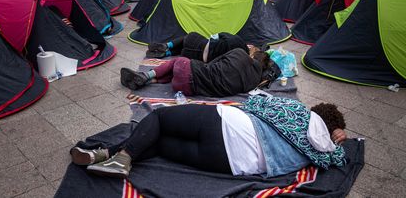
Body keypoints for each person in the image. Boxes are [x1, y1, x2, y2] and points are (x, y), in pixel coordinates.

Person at [70, 95, 347, 178]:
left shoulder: (298, 112)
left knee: (160, 118)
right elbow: (340, 157)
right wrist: (337, 141)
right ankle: (107, 156)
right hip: (231, 164)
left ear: (316, 112)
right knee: (163, 145)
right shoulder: (322, 152)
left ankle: (120, 157)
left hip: (227, 126)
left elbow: (255, 104)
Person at [121, 47, 272, 97]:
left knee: (178, 62)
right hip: (187, 89)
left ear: (252, 55)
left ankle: (146, 76)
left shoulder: (240, 53)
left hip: (184, 73)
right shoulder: (253, 83)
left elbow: (212, 63)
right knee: (185, 72)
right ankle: (150, 81)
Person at [146, 32, 256, 62]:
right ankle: (167, 53)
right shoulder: (240, 59)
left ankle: (166, 45)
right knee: (185, 48)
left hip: (202, 45)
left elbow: (215, 36)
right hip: (197, 57)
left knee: (190, 36)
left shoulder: (237, 40)